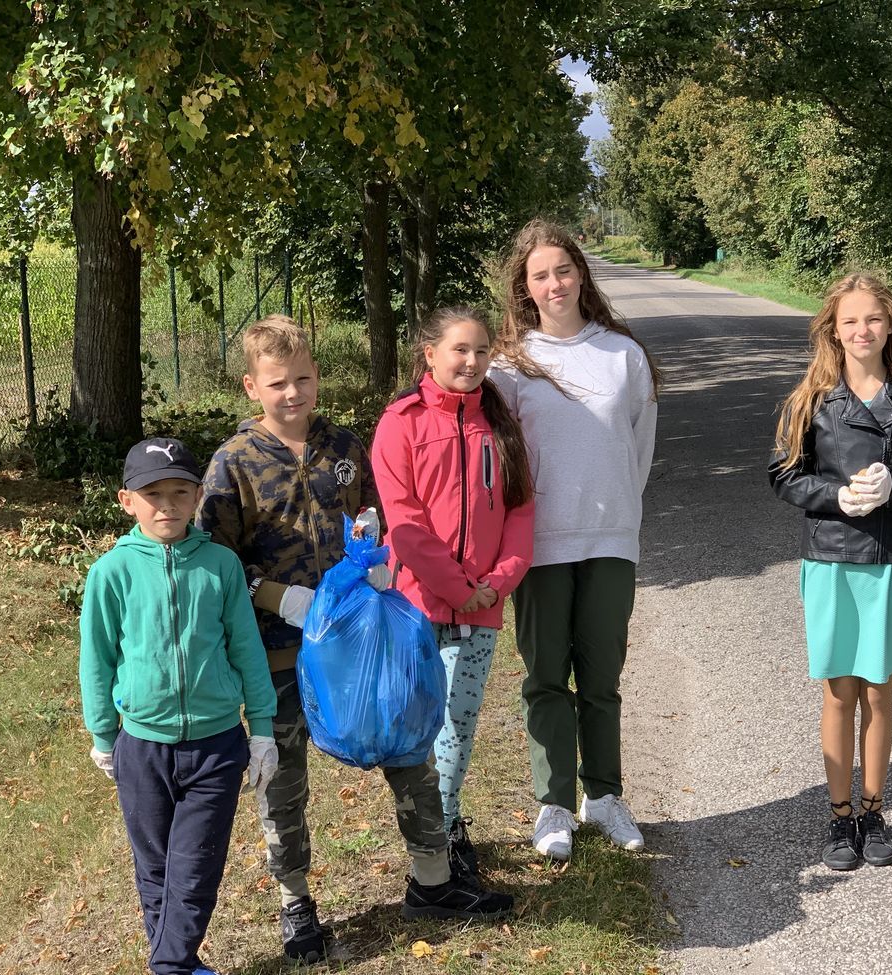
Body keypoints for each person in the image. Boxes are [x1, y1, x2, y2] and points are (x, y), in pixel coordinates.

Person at [197, 315, 513, 963]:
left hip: (358, 649)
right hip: (278, 652)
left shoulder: (343, 446)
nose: (293, 393)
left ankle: (433, 882)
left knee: (408, 748)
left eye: (303, 379)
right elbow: (214, 560)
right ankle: (295, 902)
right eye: (277, 383)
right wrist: (275, 596)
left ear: (316, 377)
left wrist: (379, 561)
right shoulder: (233, 464)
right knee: (283, 780)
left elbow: (375, 518)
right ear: (252, 386)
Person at [768, 273, 892, 870]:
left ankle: (874, 812)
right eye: (851, 320)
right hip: (831, 558)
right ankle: (840, 817)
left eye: (874, 319)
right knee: (839, 691)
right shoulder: (811, 399)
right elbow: (784, 475)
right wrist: (834, 496)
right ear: (833, 330)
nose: (863, 330)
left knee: (879, 690)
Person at [490, 219, 660, 861]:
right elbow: (501, 459)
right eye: (540, 275)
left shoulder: (623, 355)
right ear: (525, 287)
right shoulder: (509, 366)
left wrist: (619, 509)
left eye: (563, 270)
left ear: (581, 275)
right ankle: (554, 803)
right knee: (544, 675)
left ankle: (605, 796)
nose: (554, 283)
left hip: (611, 536)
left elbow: (639, 445)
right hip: (539, 543)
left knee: (601, 674)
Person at [79, 436, 279, 975]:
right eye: (153, 494)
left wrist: (261, 729)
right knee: (156, 868)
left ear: (197, 497)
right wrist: (103, 736)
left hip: (216, 746)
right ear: (128, 501)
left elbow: (246, 648)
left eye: (179, 492)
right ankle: (179, 963)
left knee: (194, 868)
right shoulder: (111, 573)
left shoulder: (221, 566)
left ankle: (168, 967)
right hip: (142, 747)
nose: (166, 505)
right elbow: (97, 660)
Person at [371, 306, 536, 878]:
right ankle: (432, 837)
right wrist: (453, 586)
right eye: (460, 349)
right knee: (420, 725)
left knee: (458, 722)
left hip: (482, 606)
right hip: (416, 603)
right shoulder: (402, 422)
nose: (472, 361)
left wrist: (497, 581)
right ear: (430, 354)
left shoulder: (501, 421)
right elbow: (404, 520)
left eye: (482, 350)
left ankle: (444, 827)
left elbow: (520, 510)